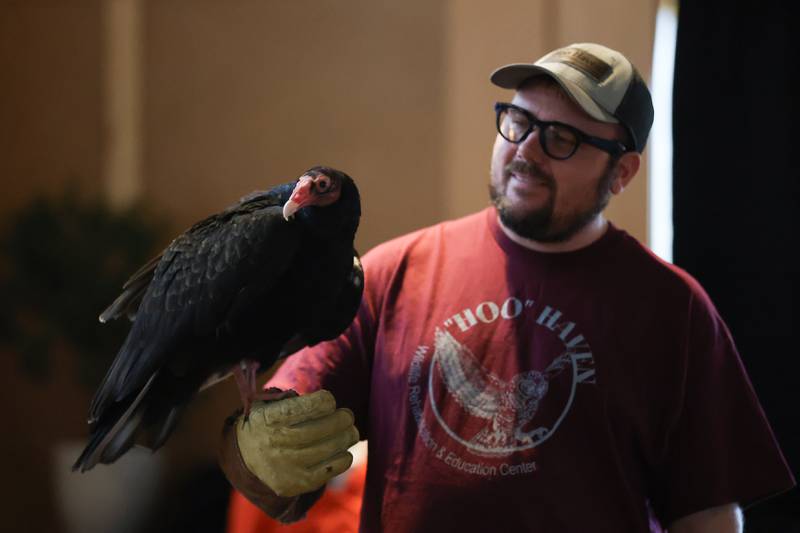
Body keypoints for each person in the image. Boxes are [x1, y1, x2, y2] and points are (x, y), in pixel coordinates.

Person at [218, 42, 795, 532]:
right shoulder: (392, 273)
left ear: (622, 173)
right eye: (518, 122)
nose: (525, 150)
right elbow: (280, 438)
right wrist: (255, 455)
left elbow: (709, 513)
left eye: (562, 138)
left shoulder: (674, 309)